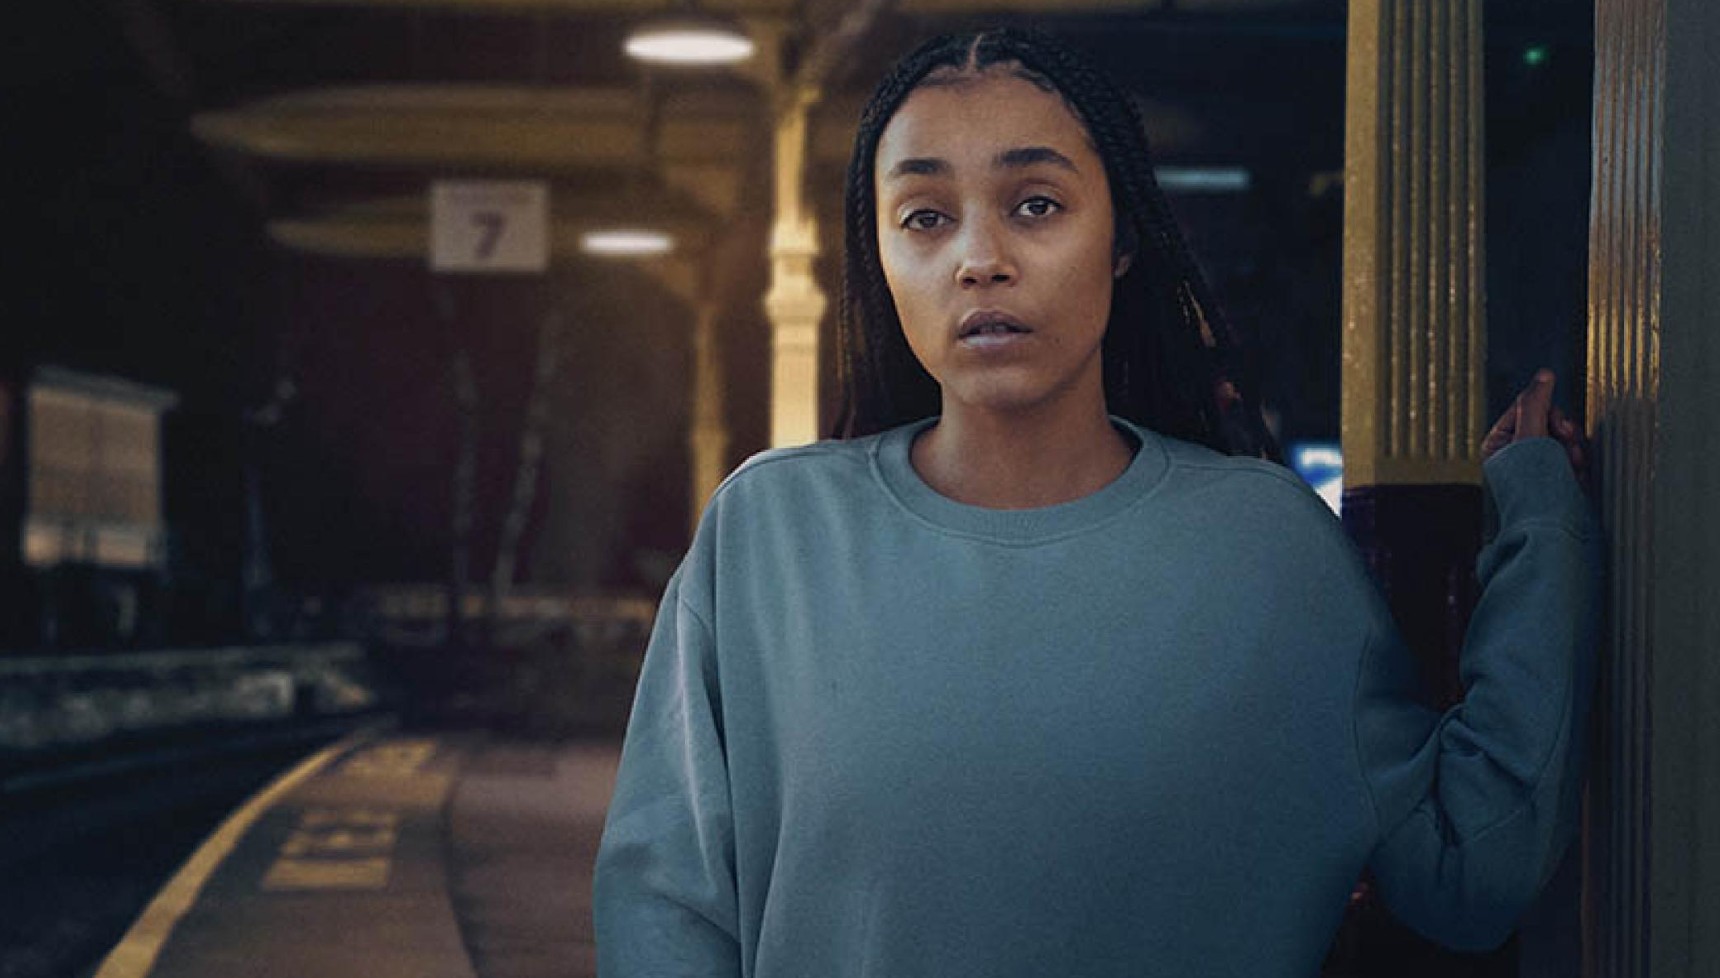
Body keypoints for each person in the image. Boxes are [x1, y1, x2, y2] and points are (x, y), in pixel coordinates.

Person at [592, 26, 1601, 978]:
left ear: (1121, 238)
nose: (977, 258)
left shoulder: (1267, 554)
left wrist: (1539, 524)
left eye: (1035, 203)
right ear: (882, 258)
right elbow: (663, 911)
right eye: (924, 217)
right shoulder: (770, 537)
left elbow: (1468, 874)